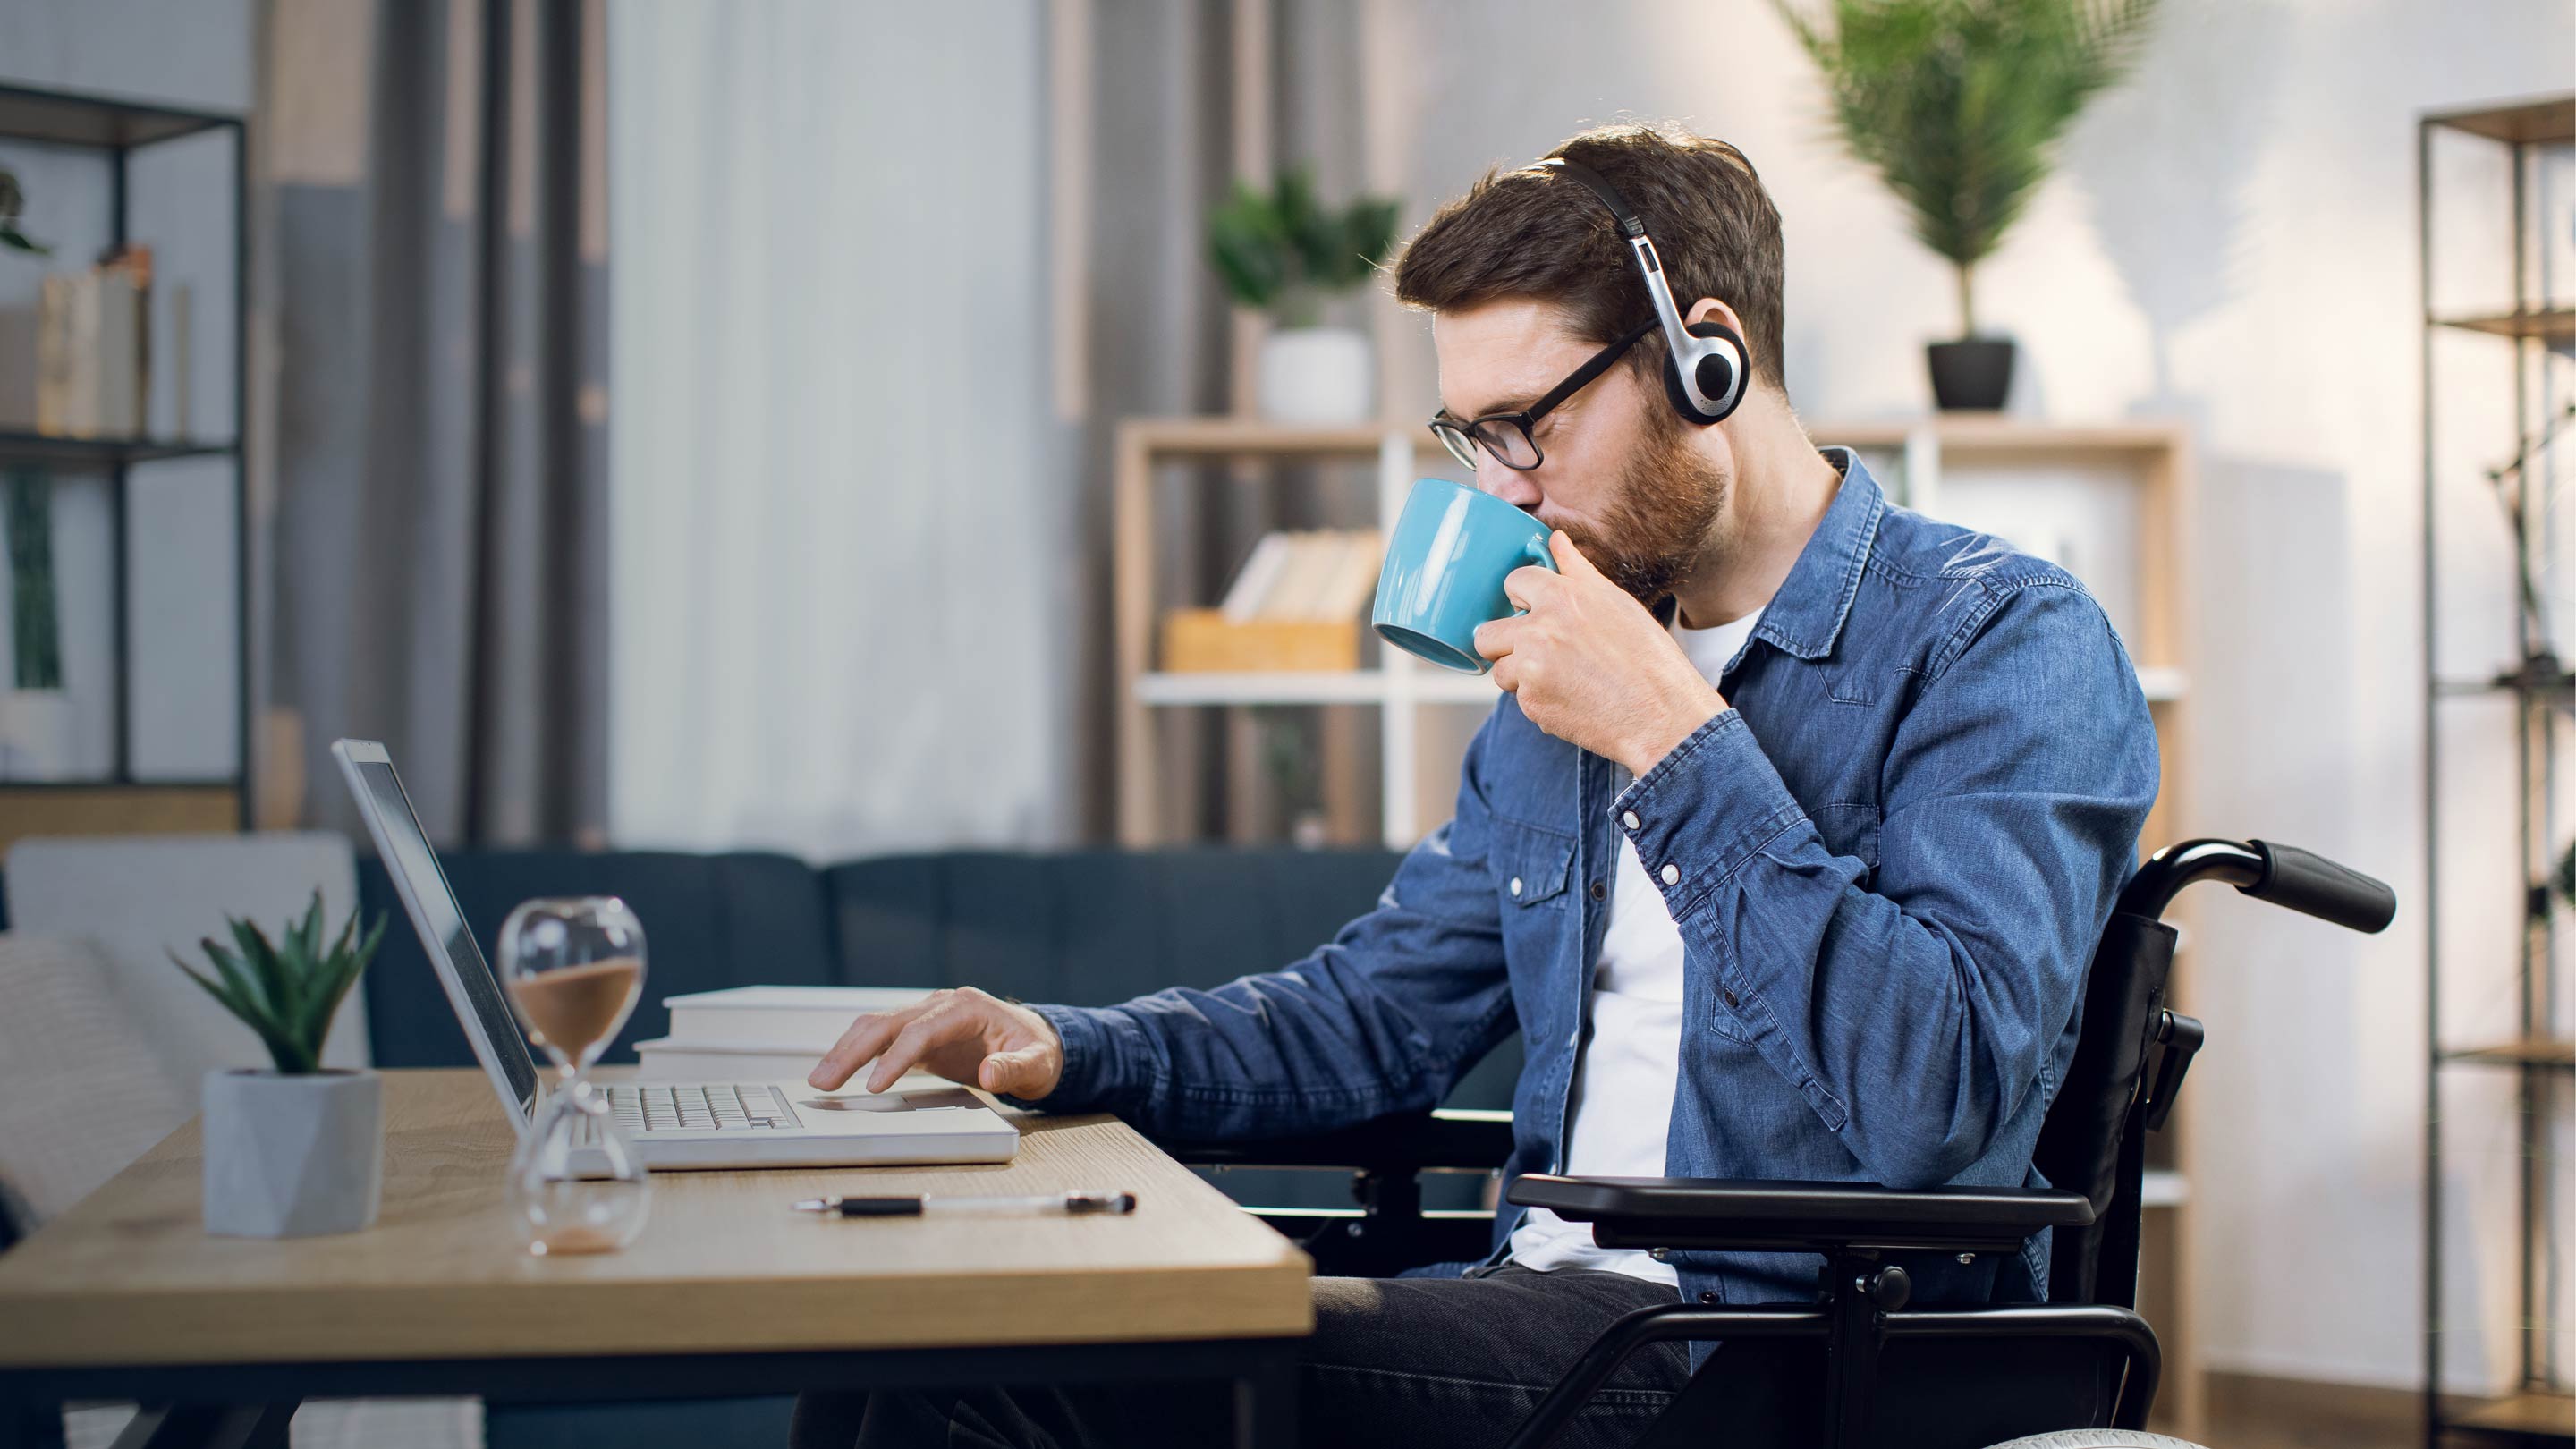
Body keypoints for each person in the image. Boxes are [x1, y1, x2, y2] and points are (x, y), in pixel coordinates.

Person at [789, 121, 2159, 1449]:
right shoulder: (1569, 663)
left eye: (1528, 427)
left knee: (1011, 1362)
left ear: (1711, 364)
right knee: (910, 1327)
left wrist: (1676, 738)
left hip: (1764, 1359)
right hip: (1535, 1314)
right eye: (1472, 438)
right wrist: (1069, 1047)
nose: (1505, 490)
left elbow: (1943, 1099)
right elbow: (1370, 1019)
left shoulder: (1999, 642)